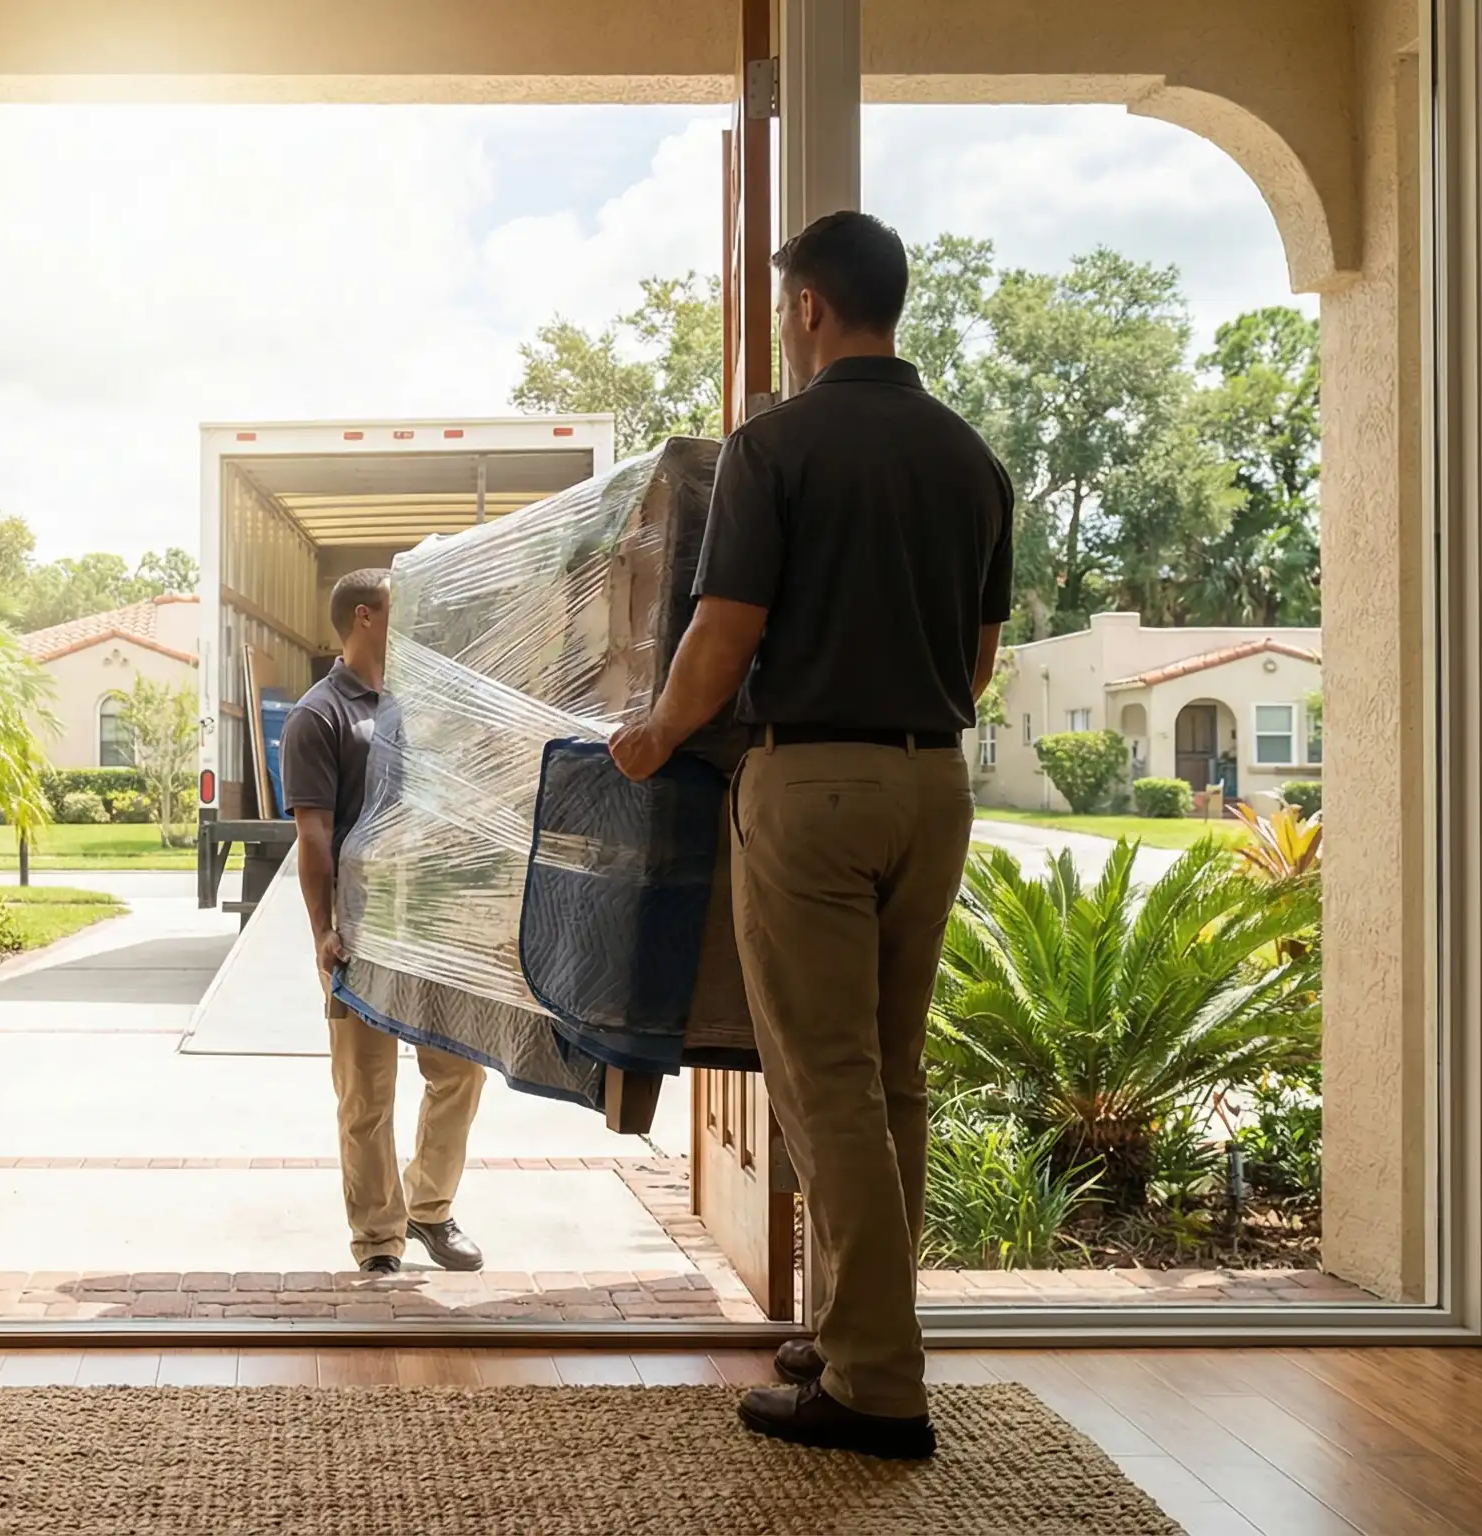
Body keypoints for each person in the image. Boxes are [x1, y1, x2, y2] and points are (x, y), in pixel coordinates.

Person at [610, 210, 1013, 1461]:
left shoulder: (772, 446)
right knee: (890, 1075)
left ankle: (878, 1386)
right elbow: (982, 659)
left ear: (807, 310)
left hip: (815, 788)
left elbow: (721, 634)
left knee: (822, 1080)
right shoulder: (971, 461)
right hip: (932, 786)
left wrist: (654, 735)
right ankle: (854, 1330)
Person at [281, 567, 487, 1277]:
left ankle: (430, 1209)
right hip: (364, 932)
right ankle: (378, 1240)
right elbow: (313, 835)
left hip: (431, 922)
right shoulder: (321, 715)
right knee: (366, 1093)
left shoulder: (423, 703)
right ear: (366, 617)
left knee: (460, 1071)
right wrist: (322, 932)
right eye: (402, 607)